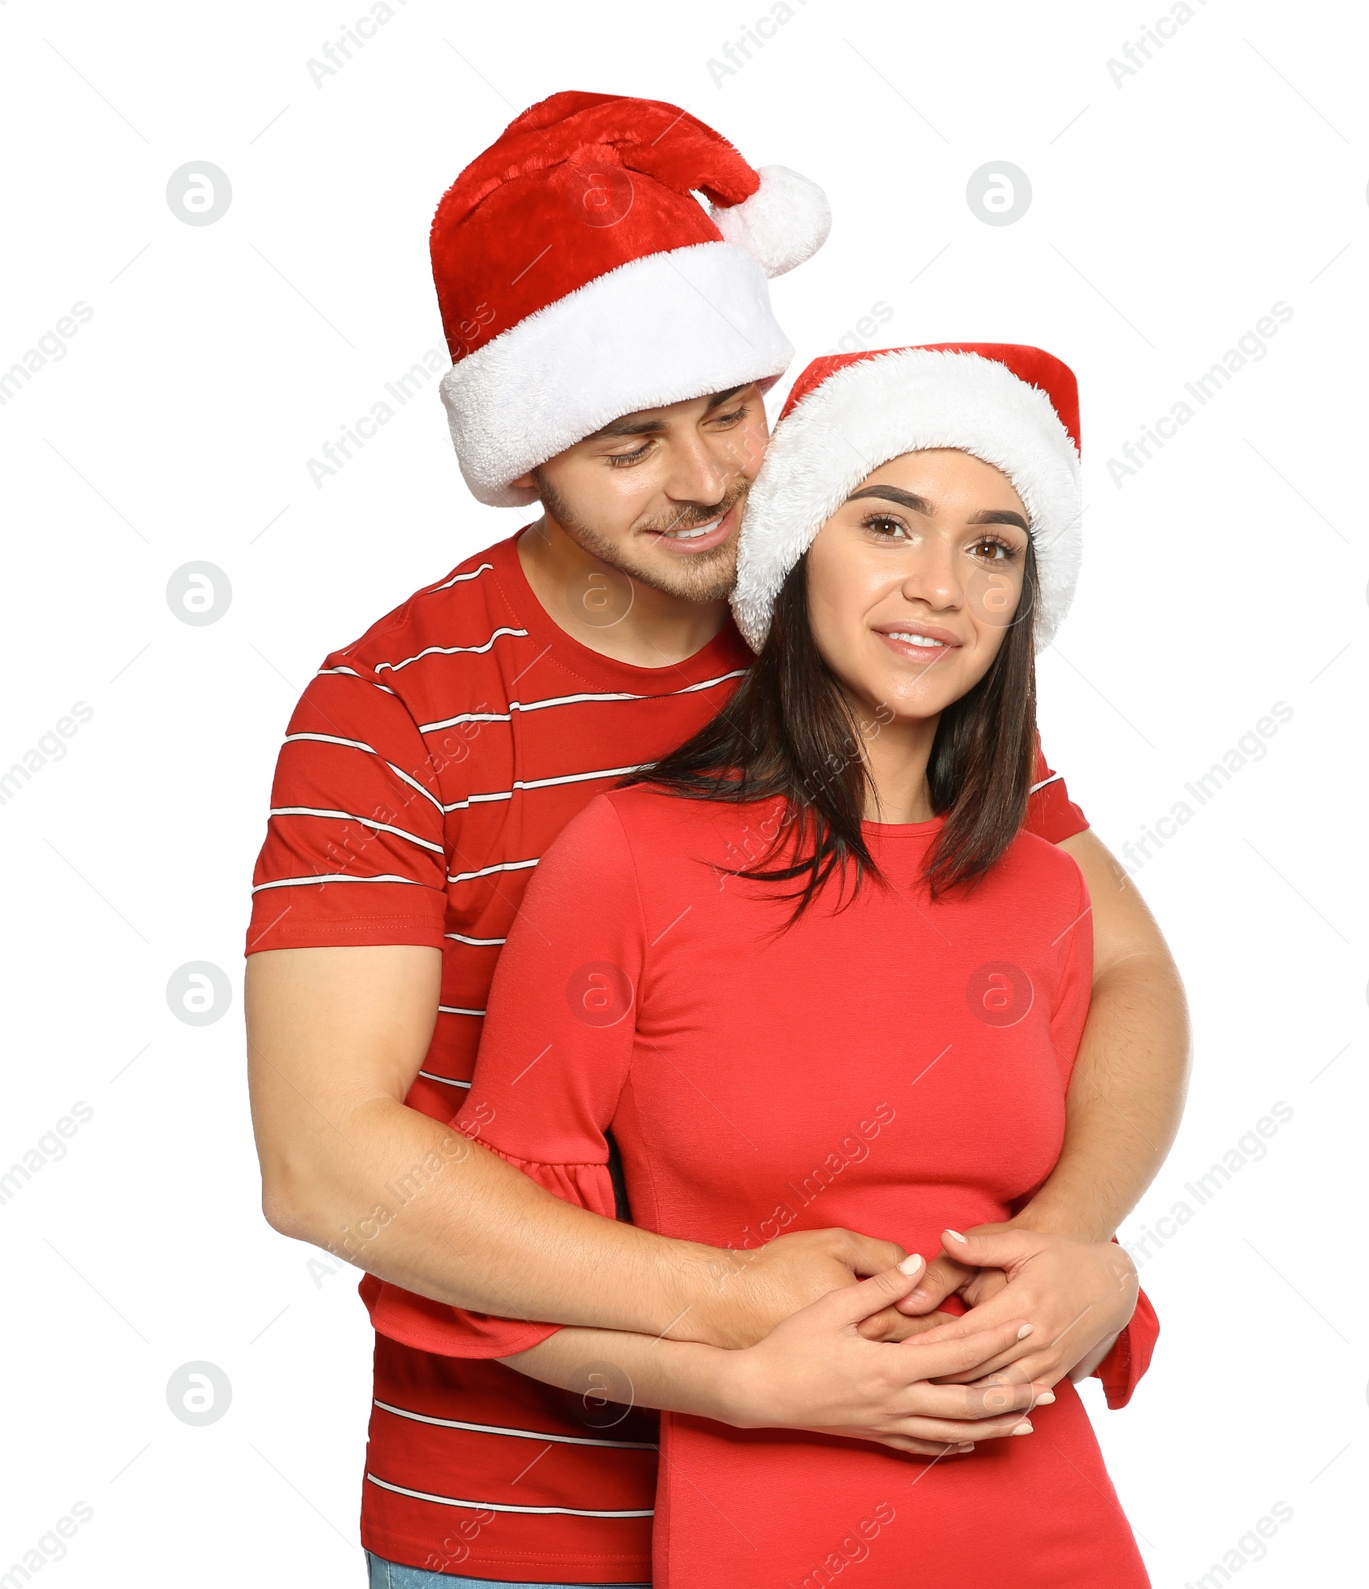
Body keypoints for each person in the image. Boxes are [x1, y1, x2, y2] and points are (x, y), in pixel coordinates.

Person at [245, 92, 1189, 1589]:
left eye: (734, 413)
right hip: (518, 1516)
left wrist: (1078, 1242)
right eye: (628, 441)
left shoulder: (858, 641)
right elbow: (325, 1160)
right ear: (530, 445)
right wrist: (742, 1325)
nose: (701, 483)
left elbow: (1117, 964)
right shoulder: (393, 708)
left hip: (875, 1498)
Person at [366, 343, 1158, 1587]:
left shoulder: (1047, 887)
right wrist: (742, 1381)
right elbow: (495, 1289)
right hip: (768, 1532)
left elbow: (1092, 1097)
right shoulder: (631, 861)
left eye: (993, 546)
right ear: (795, 546)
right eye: (888, 522)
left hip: (1048, 1528)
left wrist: (1098, 1270)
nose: (939, 585)